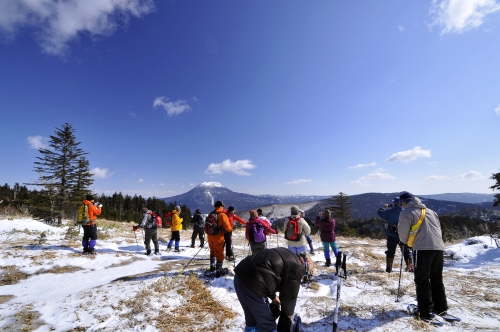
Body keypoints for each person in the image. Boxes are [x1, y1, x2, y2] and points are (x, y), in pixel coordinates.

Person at [398, 192, 450, 322]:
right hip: (438, 247)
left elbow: (403, 236)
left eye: (401, 203)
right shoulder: (431, 212)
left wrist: (405, 242)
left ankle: (425, 311)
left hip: (422, 248)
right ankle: (441, 308)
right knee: (436, 279)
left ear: (405, 202)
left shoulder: (406, 213)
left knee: (422, 280)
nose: (401, 206)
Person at [234, 247, 304, 332]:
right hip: (254, 285)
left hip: (240, 275)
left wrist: (273, 297)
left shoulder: (286, 253)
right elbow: (290, 296)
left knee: (252, 319)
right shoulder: (297, 267)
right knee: (268, 326)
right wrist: (288, 315)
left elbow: (267, 273)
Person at [377, 197, 413, 273]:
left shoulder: (389, 211)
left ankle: (389, 268)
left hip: (391, 234)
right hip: (404, 234)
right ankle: (410, 267)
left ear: (394, 203)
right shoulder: (406, 211)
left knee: (390, 251)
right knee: (406, 251)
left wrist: (383, 208)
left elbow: (379, 212)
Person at [207, 200, 232, 277]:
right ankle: (219, 271)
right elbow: (228, 228)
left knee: (212, 250)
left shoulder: (211, 214)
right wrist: (230, 230)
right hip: (218, 236)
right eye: (223, 206)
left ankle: (212, 266)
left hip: (210, 236)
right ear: (221, 206)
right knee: (219, 252)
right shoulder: (222, 215)